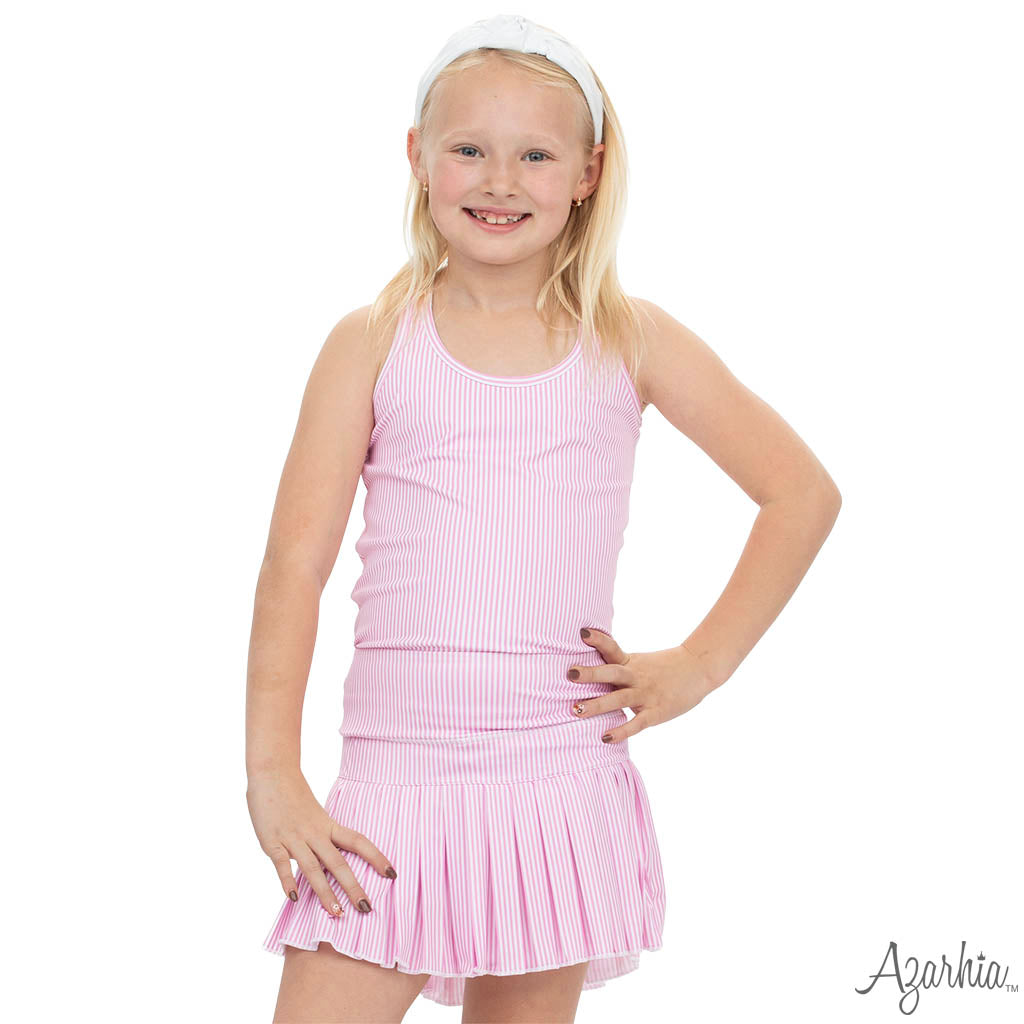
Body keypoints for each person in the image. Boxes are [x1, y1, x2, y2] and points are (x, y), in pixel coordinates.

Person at [246, 14, 842, 1023]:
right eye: (468, 149)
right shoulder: (371, 342)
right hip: (393, 783)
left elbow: (800, 494)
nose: (499, 180)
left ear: (587, 173)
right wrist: (273, 773)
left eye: (534, 154)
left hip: (554, 782)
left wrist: (698, 665)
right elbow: (292, 567)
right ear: (417, 155)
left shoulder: (630, 340)